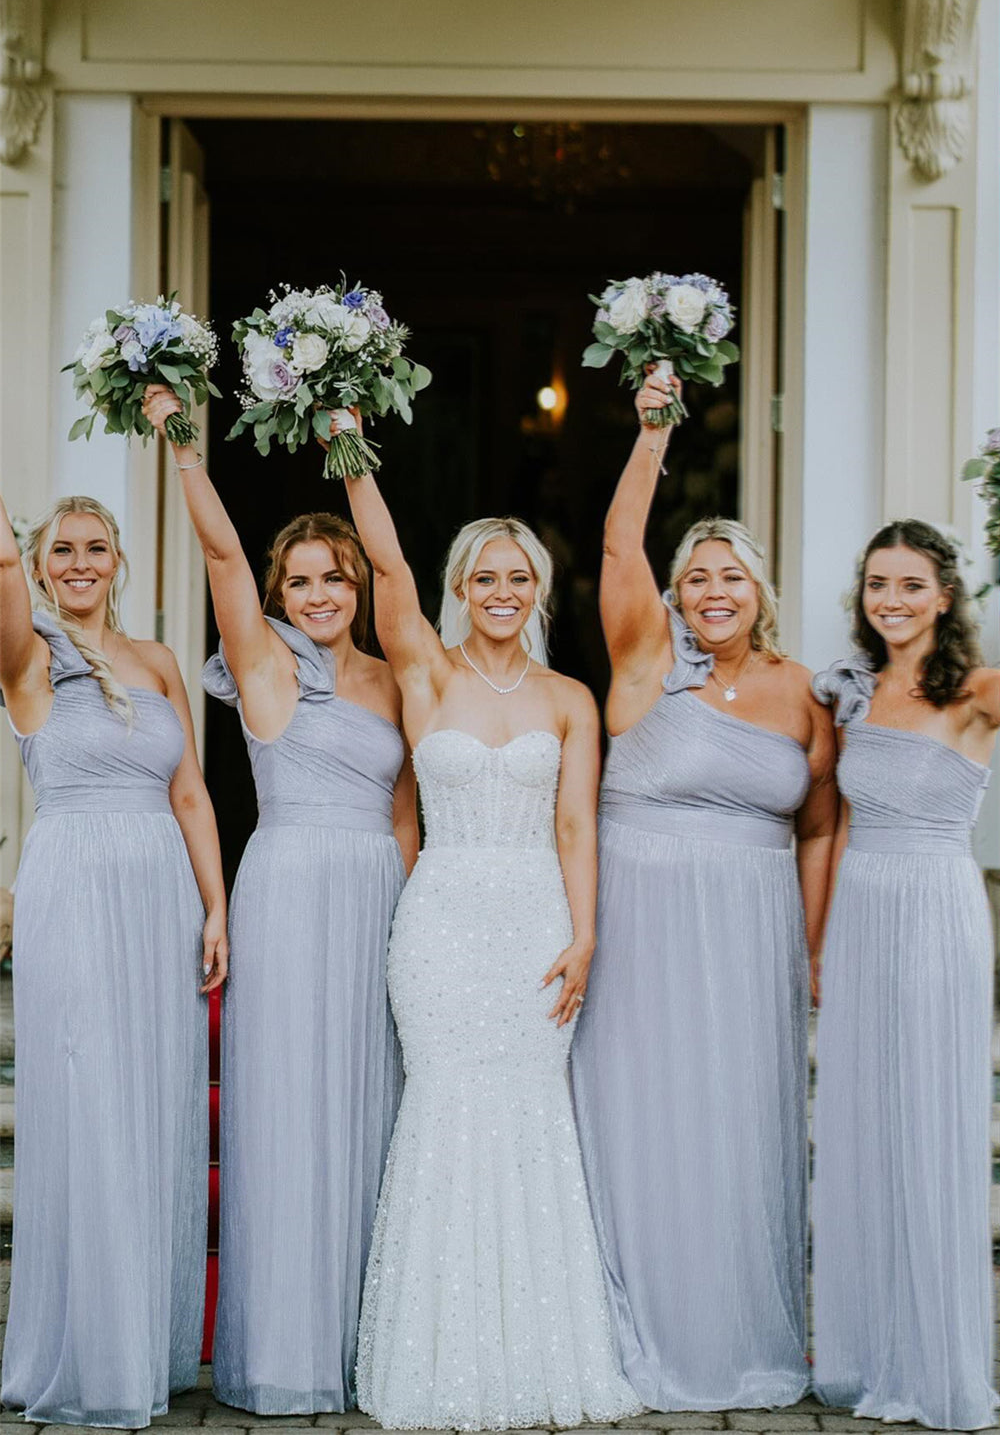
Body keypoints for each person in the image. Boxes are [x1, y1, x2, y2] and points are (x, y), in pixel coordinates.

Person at [339, 427, 641, 1430]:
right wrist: (352, 448)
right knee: (447, 1111)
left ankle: (540, 1357)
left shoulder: (569, 698)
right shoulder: (425, 672)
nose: (501, 592)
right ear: (459, 587)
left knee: (526, 1118)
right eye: (483, 577)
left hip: (535, 926)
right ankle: (436, 1358)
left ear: (538, 590)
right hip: (440, 923)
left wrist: (586, 937)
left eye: (518, 578)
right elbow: (380, 561)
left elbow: (575, 828)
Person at [143, 385, 417, 1414]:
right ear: (279, 592)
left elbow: (403, 816)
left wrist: (412, 919)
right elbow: (218, 557)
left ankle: (366, 1345)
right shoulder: (261, 663)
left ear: (356, 585)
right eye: (298, 580)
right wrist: (178, 446)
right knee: (286, 1116)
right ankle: (285, 1355)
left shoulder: (396, 681)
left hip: (376, 895)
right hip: (291, 891)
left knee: (370, 1114)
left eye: (332, 577)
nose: (316, 595)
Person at [571, 365, 837, 1410]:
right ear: (674, 596)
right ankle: (631, 1324)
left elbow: (817, 830)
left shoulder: (806, 693)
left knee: (736, 1131)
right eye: (696, 579)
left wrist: (809, 949)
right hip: (641, 926)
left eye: (731, 576)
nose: (713, 592)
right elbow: (614, 546)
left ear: (759, 590)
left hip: (751, 935)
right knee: (643, 1120)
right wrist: (650, 434)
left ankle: (734, 1331)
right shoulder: (644, 664)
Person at [0, 492, 225, 1428]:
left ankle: (145, 1341)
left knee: (150, 1106)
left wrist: (217, 907)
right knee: (89, 1105)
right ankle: (90, 1355)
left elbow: (193, 796)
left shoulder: (161, 662)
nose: (81, 563)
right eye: (64, 551)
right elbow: (5, 589)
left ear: (119, 561)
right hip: (75, 893)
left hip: (160, 897)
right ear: (43, 563)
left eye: (97, 549)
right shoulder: (31, 660)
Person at [811, 519, 1000, 1431]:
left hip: (934, 907)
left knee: (929, 1120)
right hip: (861, 915)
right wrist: (818, 942)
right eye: (879, 585)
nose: (892, 601)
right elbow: (837, 824)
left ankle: (938, 1363)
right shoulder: (855, 692)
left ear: (946, 595)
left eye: (911, 586)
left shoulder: (977, 690)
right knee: (867, 1123)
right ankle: (872, 1347)